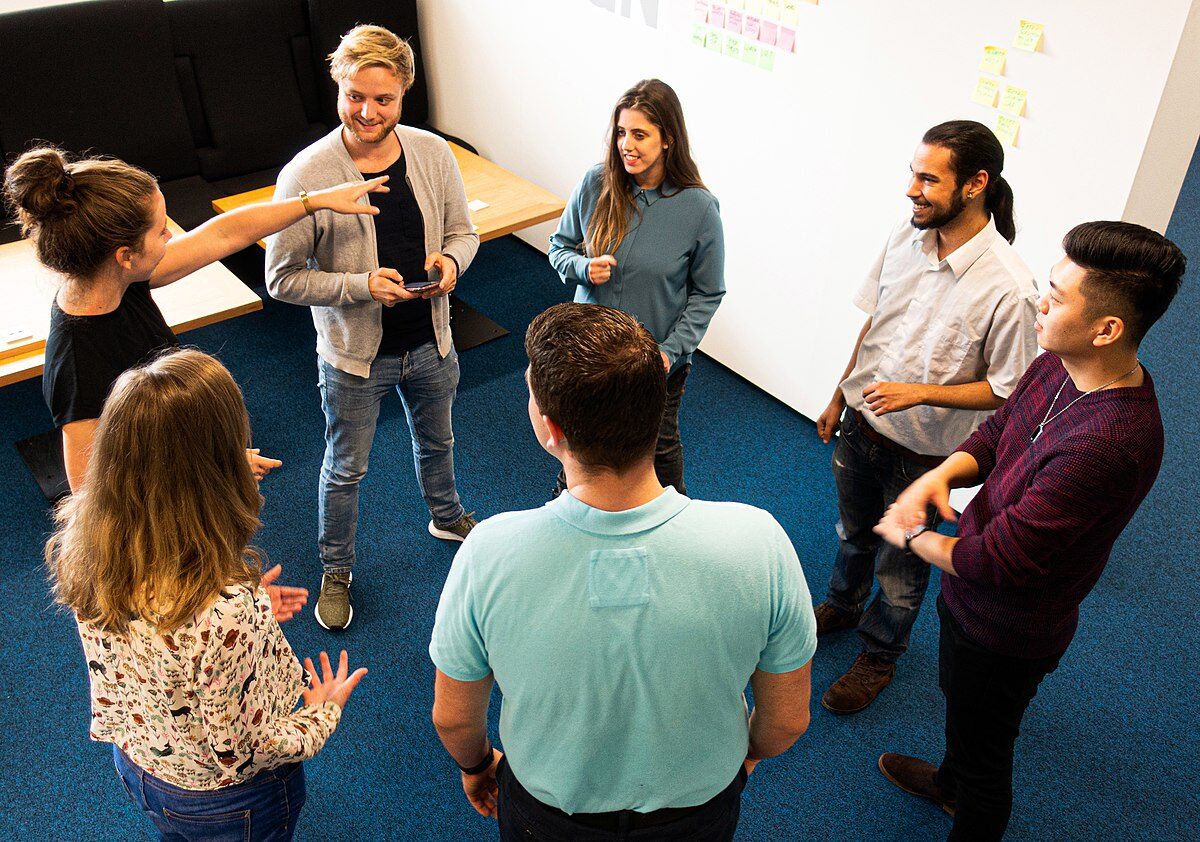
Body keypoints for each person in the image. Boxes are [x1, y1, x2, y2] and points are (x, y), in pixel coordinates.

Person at [429, 303, 816, 842]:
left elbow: (453, 719)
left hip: (547, 819)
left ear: (550, 429)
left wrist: (476, 766)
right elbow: (787, 720)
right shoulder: (760, 541)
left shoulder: (488, 551)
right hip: (697, 816)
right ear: (657, 411)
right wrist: (744, 759)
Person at [873, 221, 1184, 840]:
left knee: (986, 755)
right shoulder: (1057, 363)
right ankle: (949, 783)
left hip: (1008, 629)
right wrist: (941, 475)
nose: (1040, 302)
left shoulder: (1107, 445)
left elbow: (998, 561)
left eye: (1057, 297)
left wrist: (908, 535)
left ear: (1106, 329)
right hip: (970, 596)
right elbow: (998, 432)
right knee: (963, 713)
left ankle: (965, 799)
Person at [45, 349, 368, 841]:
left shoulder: (85, 543)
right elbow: (244, 752)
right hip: (229, 801)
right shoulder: (224, 613)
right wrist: (321, 713)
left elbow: (153, 641)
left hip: (140, 765)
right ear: (216, 470)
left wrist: (242, 614)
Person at [811, 120, 1040, 714]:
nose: (912, 189)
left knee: (902, 562)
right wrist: (839, 395)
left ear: (975, 184)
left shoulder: (1011, 289)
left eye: (928, 179)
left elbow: (1009, 391)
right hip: (862, 427)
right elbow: (876, 325)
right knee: (854, 533)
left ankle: (880, 653)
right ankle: (842, 604)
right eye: (913, 174)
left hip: (925, 456)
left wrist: (919, 393)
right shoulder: (904, 236)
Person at [2, 146, 385, 491]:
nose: (170, 236)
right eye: (160, 231)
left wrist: (313, 202)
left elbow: (224, 233)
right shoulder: (78, 363)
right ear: (125, 255)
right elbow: (93, 494)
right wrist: (214, 471)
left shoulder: (114, 279)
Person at [266, 25, 480, 632]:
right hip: (354, 359)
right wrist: (360, 286)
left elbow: (464, 233)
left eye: (383, 99)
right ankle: (336, 570)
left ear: (405, 92)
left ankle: (446, 515)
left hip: (432, 341)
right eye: (354, 96)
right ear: (337, 88)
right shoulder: (306, 174)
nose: (367, 112)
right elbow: (281, 279)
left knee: (438, 442)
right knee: (345, 470)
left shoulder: (432, 153)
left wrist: (452, 262)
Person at [548, 78, 725, 496]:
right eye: (621, 132)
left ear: (668, 139)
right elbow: (559, 247)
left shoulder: (699, 208)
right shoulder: (595, 182)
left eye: (640, 135)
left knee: (658, 449)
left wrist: (670, 350)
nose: (626, 145)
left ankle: (675, 522)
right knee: (580, 449)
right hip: (589, 357)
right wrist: (582, 267)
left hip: (655, 363)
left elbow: (708, 293)